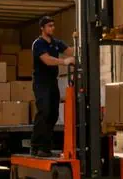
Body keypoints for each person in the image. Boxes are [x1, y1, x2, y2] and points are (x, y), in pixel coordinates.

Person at [31, 16, 75, 157]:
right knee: (44, 111)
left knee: (54, 114)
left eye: (53, 25)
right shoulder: (38, 44)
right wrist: (64, 62)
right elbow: (47, 60)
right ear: (42, 28)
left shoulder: (56, 43)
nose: (52, 28)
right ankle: (36, 146)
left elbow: (70, 51)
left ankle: (45, 147)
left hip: (52, 81)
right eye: (49, 26)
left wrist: (79, 41)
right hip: (41, 82)